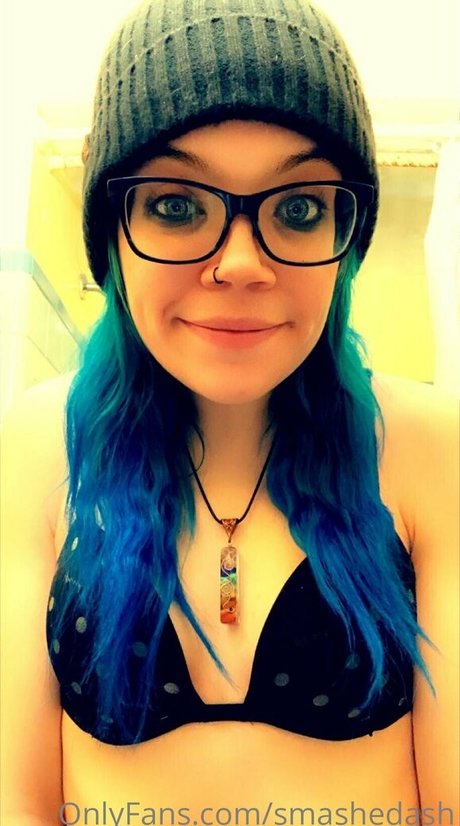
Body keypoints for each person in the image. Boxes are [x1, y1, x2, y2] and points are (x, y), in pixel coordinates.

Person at [1, 1, 458, 824]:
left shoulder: (430, 448)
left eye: (297, 208)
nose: (241, 264)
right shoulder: (37, 449)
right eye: (177, 205)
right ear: (113, 233)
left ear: (345, 238)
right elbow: (17, 800)